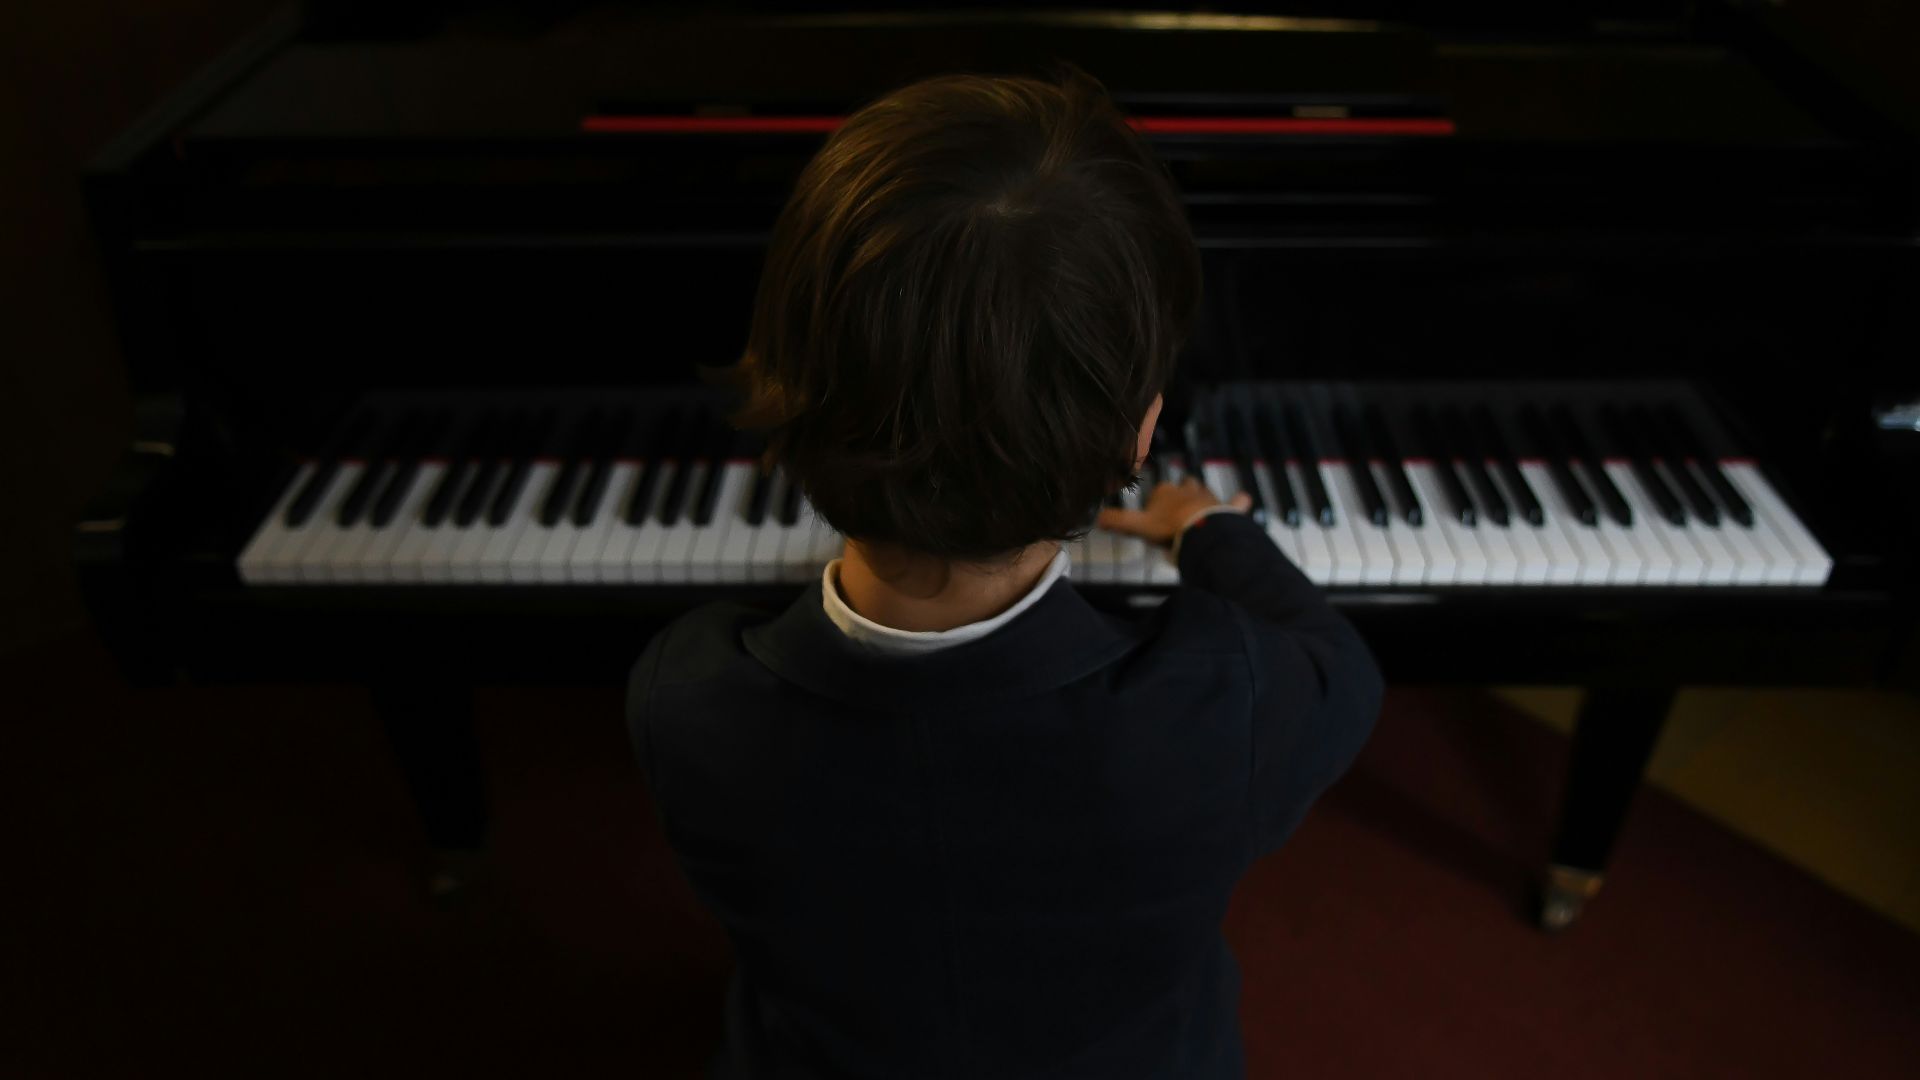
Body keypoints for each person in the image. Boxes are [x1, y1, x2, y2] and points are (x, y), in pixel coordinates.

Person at [627, 68, 1383, 1079]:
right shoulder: (1222, 705)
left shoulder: (682, 694)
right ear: (1140, 434)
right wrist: (1205, 531)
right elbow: (1342, 666)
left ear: (785, 390)